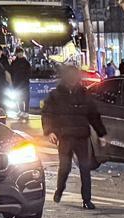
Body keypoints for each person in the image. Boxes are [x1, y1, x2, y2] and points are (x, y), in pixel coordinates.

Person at [40, 64, 107, 209]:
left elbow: (93, 115)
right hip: (65, 137)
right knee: (65, 168)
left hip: (81, 137)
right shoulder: (56, 95)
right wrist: (50, 131)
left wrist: (101, 133)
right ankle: (59, 190)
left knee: (85, 168)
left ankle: (87, 200)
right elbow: (47, 114)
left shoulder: (83, 94)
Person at [8, 49, 32, 114]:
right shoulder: (14, 62)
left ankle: (26, 111)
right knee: (18, 97)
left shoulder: (26, 62)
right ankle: (21, 110)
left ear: (23, 53)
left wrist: (26, 80)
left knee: (26, 97)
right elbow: (11, 72)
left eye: (21, 52)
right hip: (16, 83)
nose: (19, 54)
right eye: (18, 53)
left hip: (24, 83)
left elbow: (29, 73)